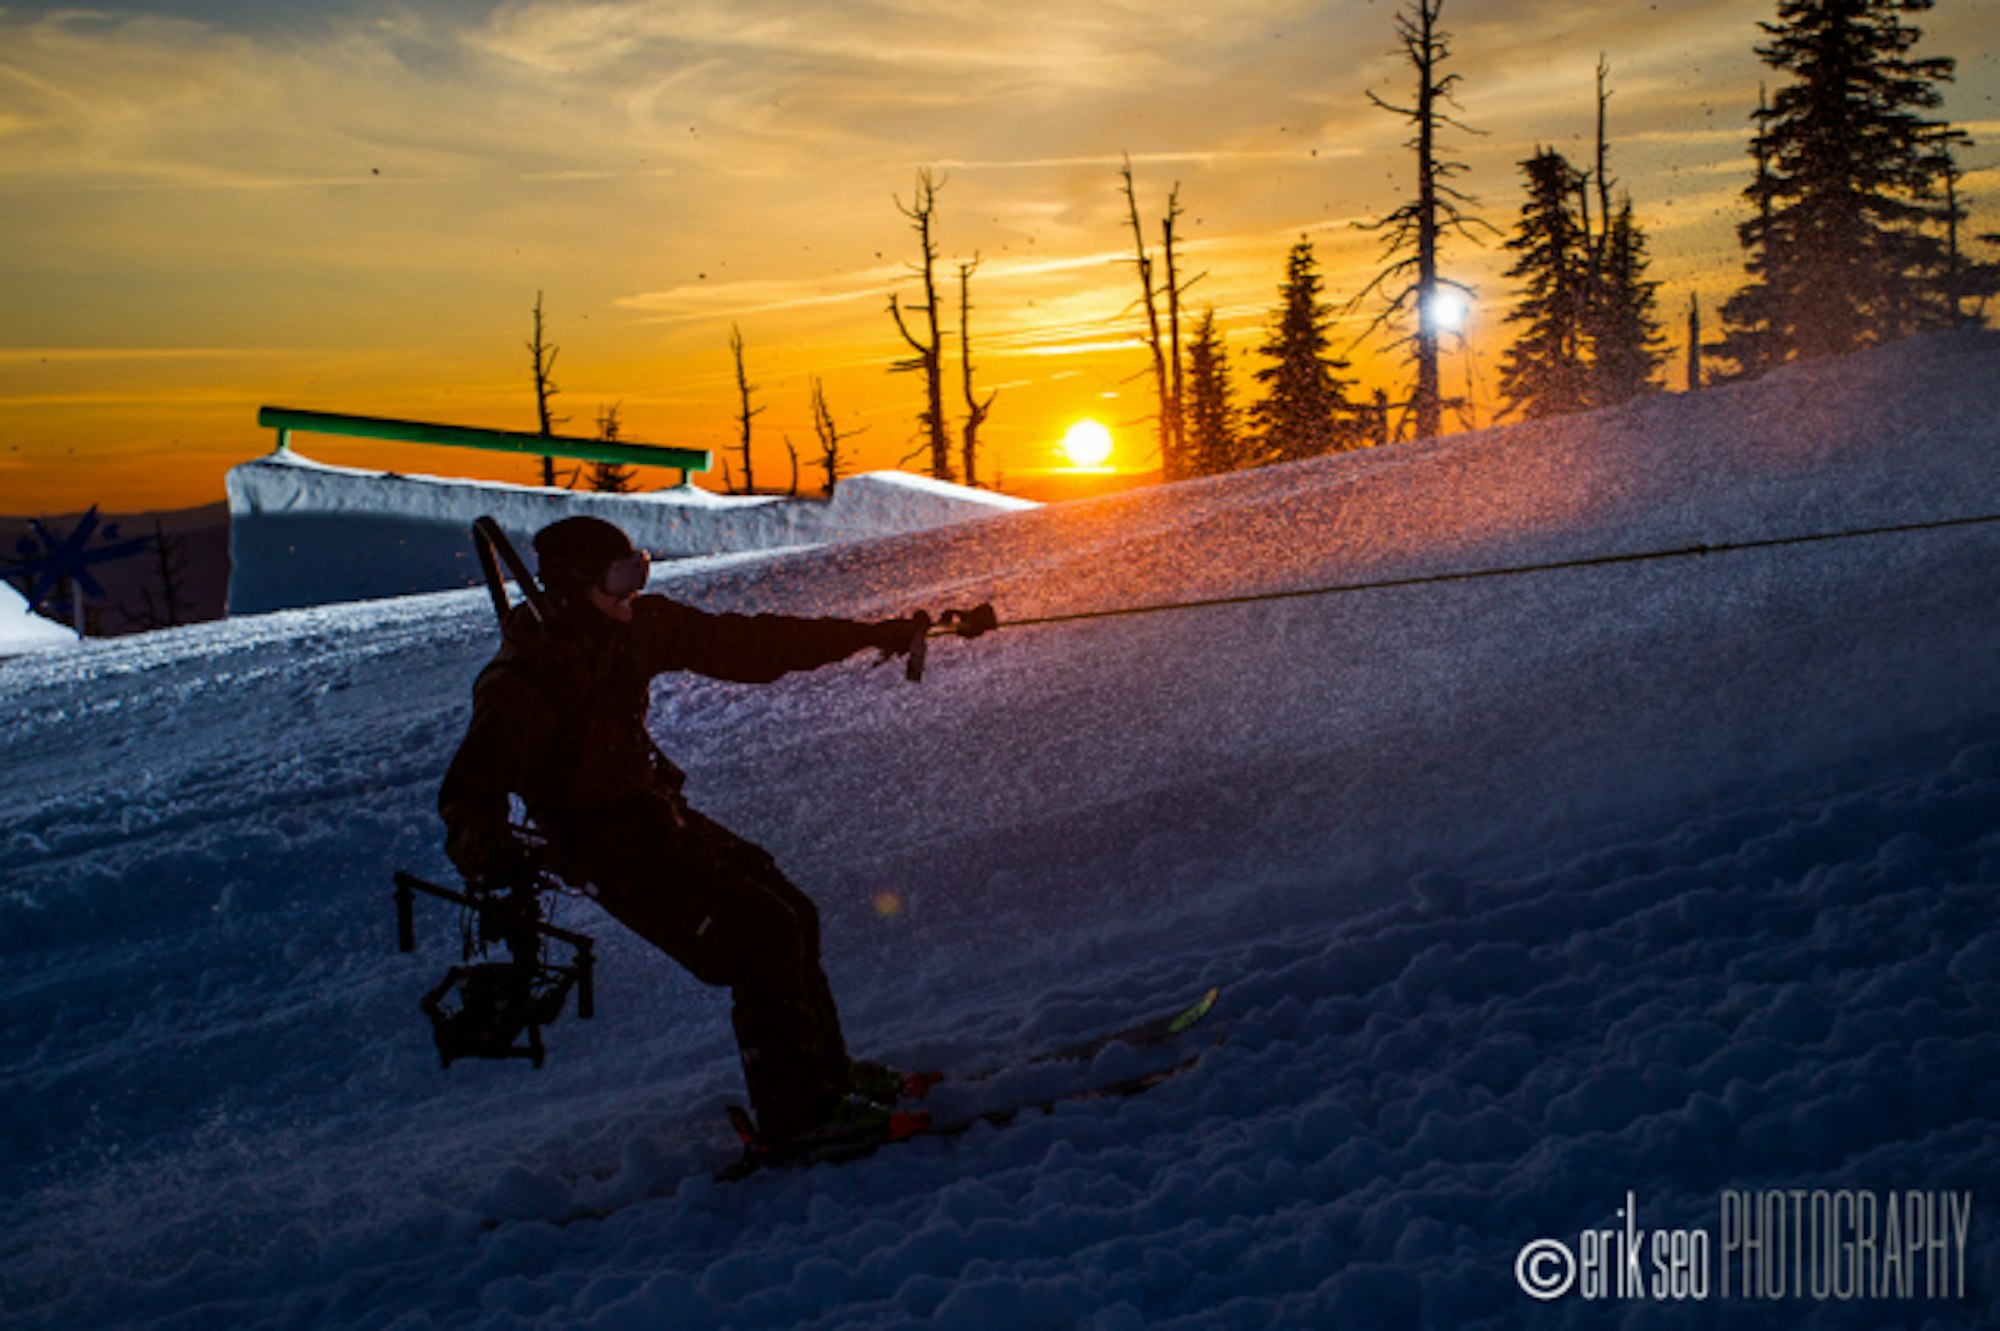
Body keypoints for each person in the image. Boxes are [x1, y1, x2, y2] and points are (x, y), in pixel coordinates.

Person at [438, 515, 933, 1144]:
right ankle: (797, 1115)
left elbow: (747, 645)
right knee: (761, 939)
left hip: (651, 817)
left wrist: (867, 636)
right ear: (570, 587)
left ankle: (827, 1077)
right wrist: (490, 855)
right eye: (619, 577)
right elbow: (466, 796)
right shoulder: (522, 685)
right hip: (602, 850)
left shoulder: (632, 631)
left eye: (637, 571)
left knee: (793, 912)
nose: (632, 591)